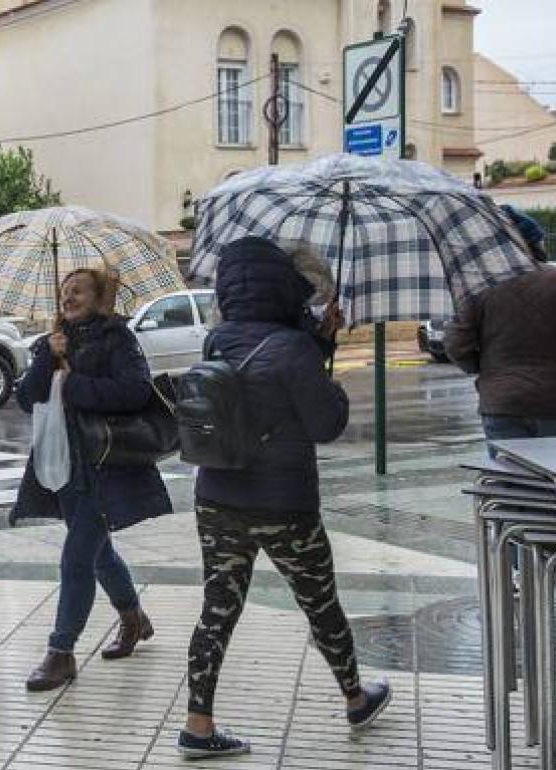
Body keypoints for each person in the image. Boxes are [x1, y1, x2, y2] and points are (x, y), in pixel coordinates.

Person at [179, 237, 391, 759]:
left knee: (217, 610)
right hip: (284, 505)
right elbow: (325, 422)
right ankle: (356, 698)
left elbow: (260, 370)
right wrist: (332, 380)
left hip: (217, 499)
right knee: (320, 604)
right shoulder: (293, 348)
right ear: (282, 289)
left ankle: (198, 726)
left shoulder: (217, 340)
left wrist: (321, 338)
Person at [11, 267, 172, 693]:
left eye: (78, 291)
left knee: (77, 557)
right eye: (64, 291)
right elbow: (27, 399)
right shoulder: (51, 342)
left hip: (104, 465)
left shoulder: (117, 338)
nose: (69, 297)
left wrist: (74, 383)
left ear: (100, 298)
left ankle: (60, 653)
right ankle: (133, 618)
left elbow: (136, 391)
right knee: (98, 553)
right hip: (61, 465)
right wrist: (49, 356)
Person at [444, 206, 556, 445]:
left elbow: (457, 344)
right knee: (552, 476)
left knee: (508, 477)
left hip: (502, 400)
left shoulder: (479, 287)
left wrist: (487, 369)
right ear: (536, 242)